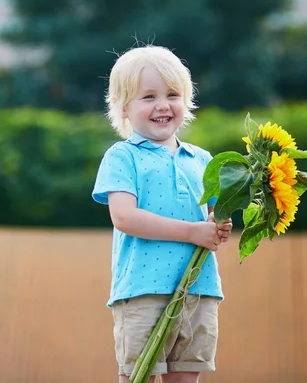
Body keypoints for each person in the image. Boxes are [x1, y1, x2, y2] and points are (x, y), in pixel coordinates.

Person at [92, 45, 232, 383]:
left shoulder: (202, 160)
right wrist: (191, 232)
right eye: (148, 96)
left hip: (199, 289)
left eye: (172, 94)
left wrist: (220, 226)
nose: (162, 105)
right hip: (143, 290)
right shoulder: (122, 157)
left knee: (187, 375)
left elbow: (213, 218)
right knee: (138, 375)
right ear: (124, 108)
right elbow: (124, 217)